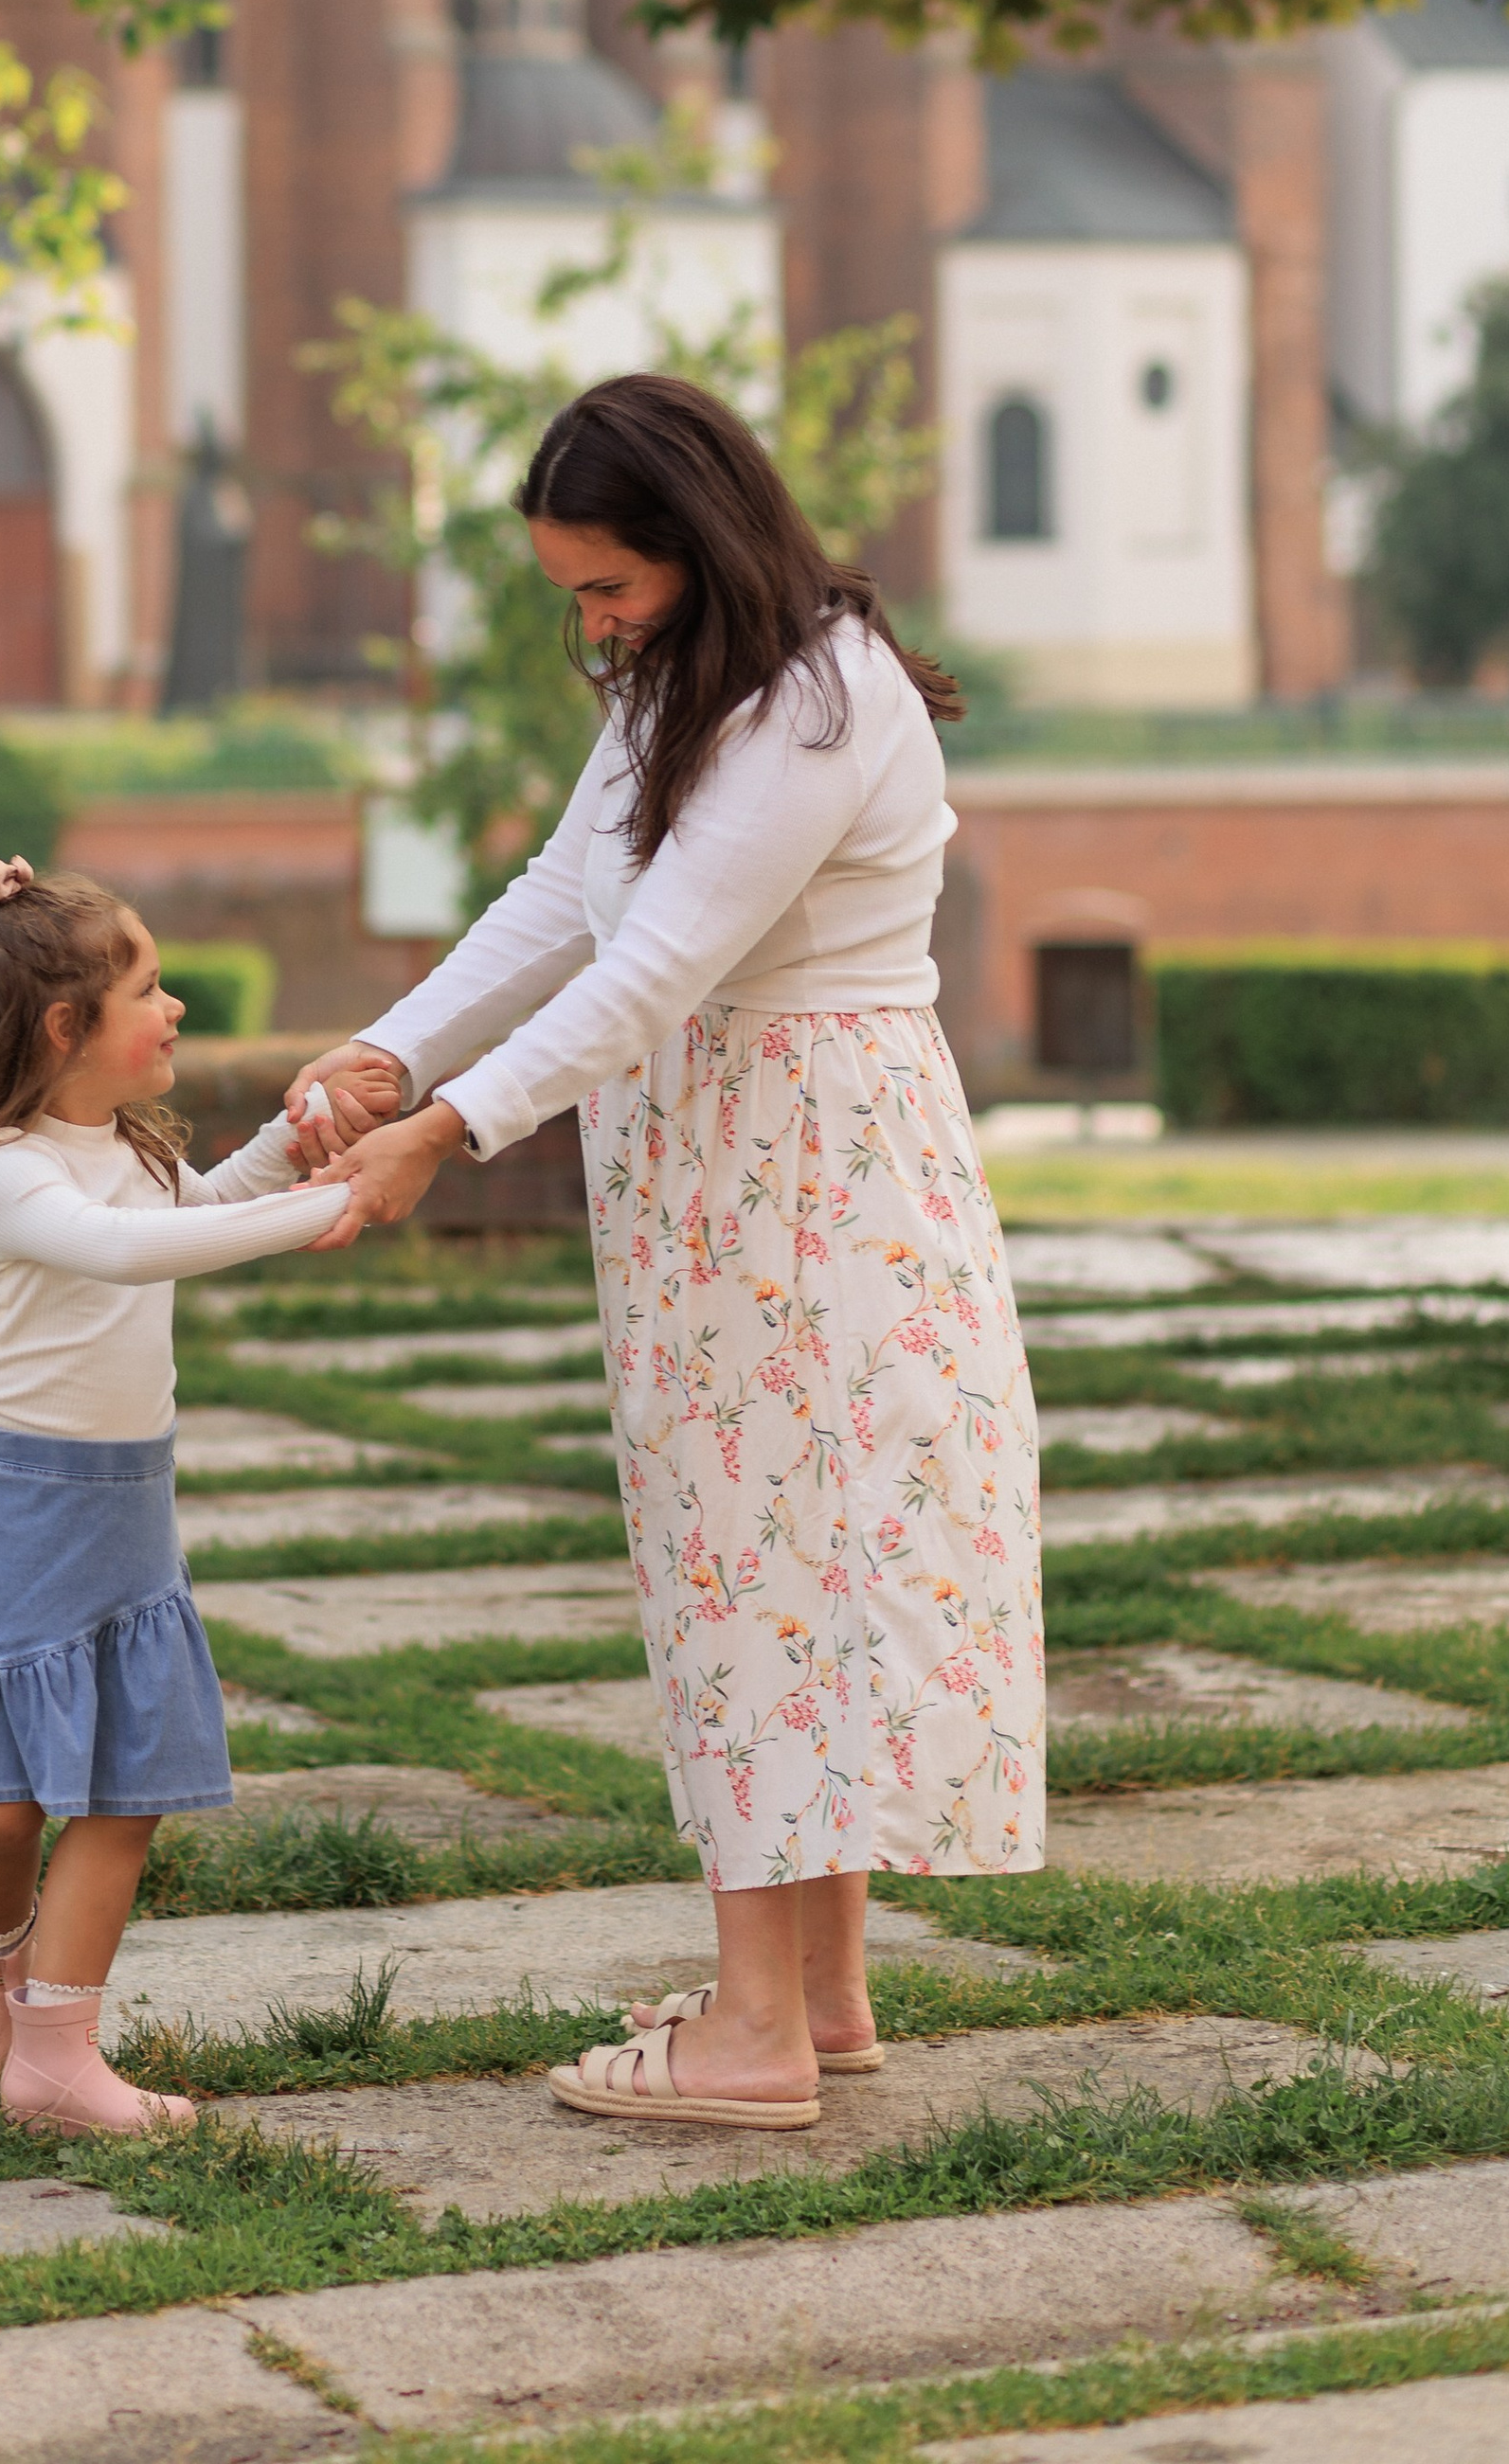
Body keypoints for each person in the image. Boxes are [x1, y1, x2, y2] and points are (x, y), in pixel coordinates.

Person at [293, 374, 1044, 2134]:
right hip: (720, 1183)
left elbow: (657, 969)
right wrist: (391, 1050)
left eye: (609, 588)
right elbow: (563, 896)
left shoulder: (818, 698)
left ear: (700, 546)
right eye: (575, 594)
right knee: (772, 1556)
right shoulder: (680, 682)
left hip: (812, 1189)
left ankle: (754, 2036)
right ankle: (816, 1994)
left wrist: (449, 1128)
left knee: (773, 1576)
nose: (593, 624)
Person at [0, 856, 396, 2135]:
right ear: (63, 1028)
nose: (176, 1007)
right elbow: (127, 1252)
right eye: (149, 986)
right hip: (7, 1509)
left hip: (122, 1512)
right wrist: (319, 1209)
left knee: (124, 1785)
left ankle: (55, 2047)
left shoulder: (127, 1151)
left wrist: (291, 1152)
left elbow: (187, 1217)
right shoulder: (8, 1170)